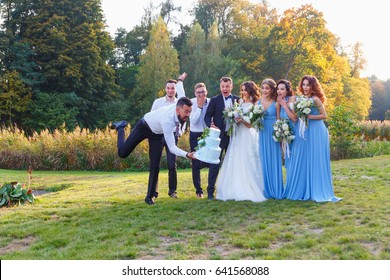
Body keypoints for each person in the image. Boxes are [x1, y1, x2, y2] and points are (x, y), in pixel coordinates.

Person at [111, 96, 195, 205]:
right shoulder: (167, 120)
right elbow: (172, 148)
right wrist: (187, 154)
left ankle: (149, 197)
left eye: (190, 112)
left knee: (155, 165)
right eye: (186, 112)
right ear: (177, 109)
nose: (188, 115)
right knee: (122, 153)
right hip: (144, 126)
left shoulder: (179, 108)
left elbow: (182, 94)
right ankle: (121, 127)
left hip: (157, 135)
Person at [283, 75, 341, 202]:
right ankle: (303, 189)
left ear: (313, 86)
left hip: (317, 131)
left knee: (316, 158)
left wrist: (309, 116)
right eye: (303, 84)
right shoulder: (300, 99)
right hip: (304, 131)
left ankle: (317, 189)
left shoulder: (316, 99)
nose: (305, 87)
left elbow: (324, 115)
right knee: (303, 158)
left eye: (308, 85)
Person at [216, 81, 266, 202]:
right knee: (235, 158)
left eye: (245, 90)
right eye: (242, 90)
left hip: (247, 135)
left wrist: (242, 121)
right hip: (237, 134)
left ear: (251, 91)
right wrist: (234, 119)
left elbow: (251, 125)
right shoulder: (239, 102)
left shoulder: (255, 105)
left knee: (247, 158)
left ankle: (249, 186)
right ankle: (233, 187)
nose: (243, 92)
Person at [150, 74, 188, 199]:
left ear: (175, 89)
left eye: (173, 88)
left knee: (172, 165)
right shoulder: (158, 102)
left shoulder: (179, 102)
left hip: (172, 135)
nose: (171, 90)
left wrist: (180, 132)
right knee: (155, 164)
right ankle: (153, 193)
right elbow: (151, 118)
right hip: (157, 136)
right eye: (168, 88)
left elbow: (184, 118)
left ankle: (172, 191)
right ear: (165, 89)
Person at [204, 76, 240, 200]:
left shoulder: (238, 100)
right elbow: (207, 116)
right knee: (215, 164)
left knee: (233, 163)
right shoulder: (214, 100)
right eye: (222, 86)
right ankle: (210, 192)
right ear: (220, 87)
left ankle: (232, 191)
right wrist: (211, 125)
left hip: (234, 136)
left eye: (227, 86)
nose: (225, 88)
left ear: (231, 86)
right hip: (219, 137)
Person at [258, 78, 284, 199]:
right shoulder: (258, 103)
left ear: (272, 89)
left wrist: (280, 134)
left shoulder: (276, 103)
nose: (264, 90)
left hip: (274, 132)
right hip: (263, 133)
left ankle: (277, 189)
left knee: (275, 160)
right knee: (264, 161)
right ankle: (266, 190)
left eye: (267, 88)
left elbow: (279, 119)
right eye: (263, 88)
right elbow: (254, 121)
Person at [189, 82, 210, 198]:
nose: (201, 94)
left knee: (211, 161)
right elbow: (193, 121)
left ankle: (211, 188)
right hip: (195, 133)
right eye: (198, 92)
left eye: (203, 92)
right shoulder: (191, 103)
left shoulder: (211, 102)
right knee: (196, 162)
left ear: (206, 92)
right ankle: (199, 191)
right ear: (195, 93)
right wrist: (200, 107)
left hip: (208, 133)